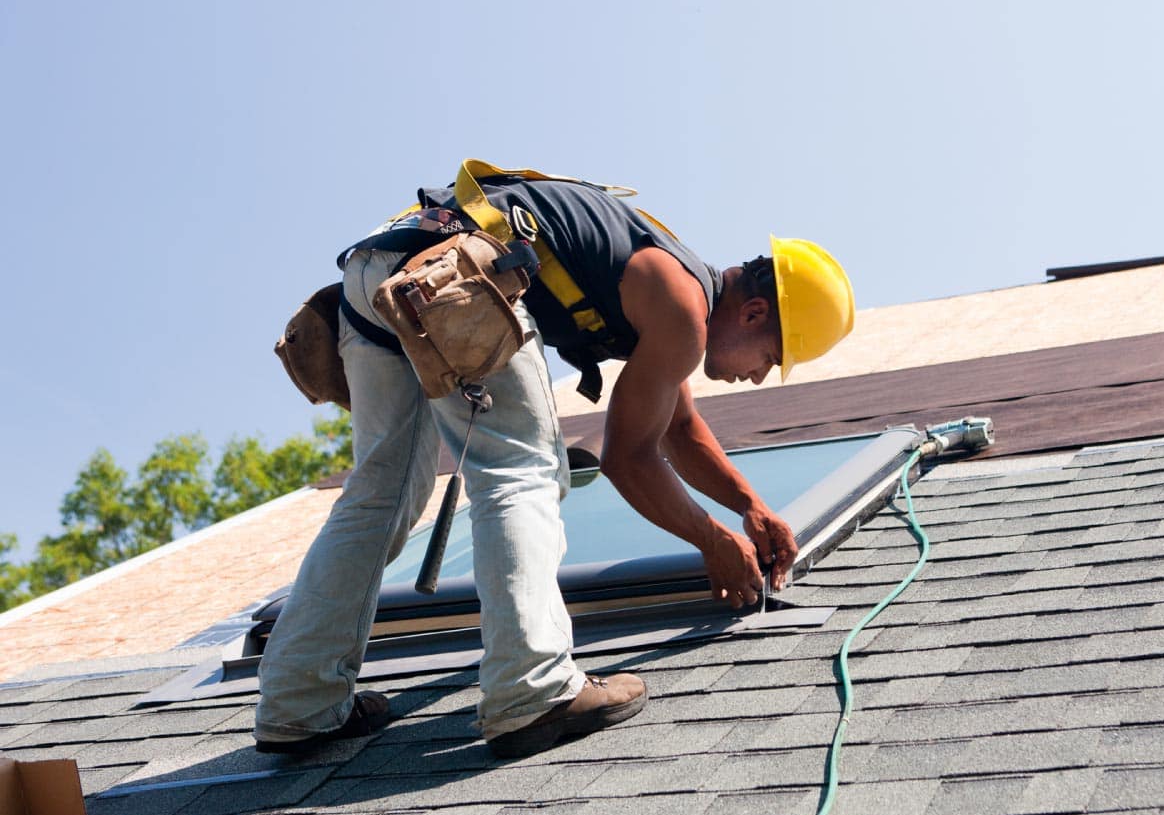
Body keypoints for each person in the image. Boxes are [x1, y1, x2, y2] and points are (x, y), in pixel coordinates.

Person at [253, 167, 855, 758]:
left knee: (381, 496)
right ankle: (532, 690)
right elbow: (629, 456)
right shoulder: (681, 308)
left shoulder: (673, 284)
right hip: (454, 273)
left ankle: (299, 703)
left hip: (381, 269)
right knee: (522, 467)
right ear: (752, 314)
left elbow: (679, 427)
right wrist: (711, 539)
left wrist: (751, 508)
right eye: (770, 357)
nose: (757, 377)